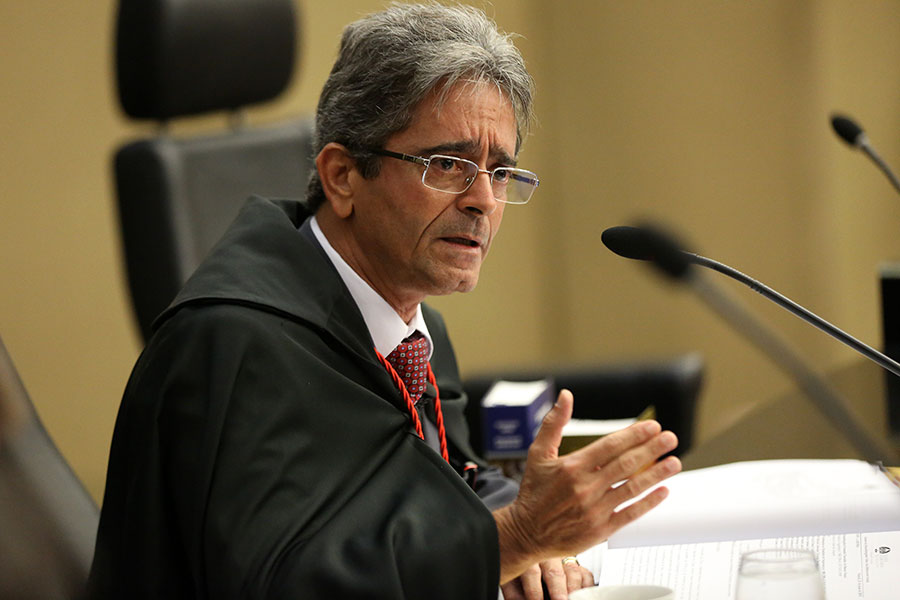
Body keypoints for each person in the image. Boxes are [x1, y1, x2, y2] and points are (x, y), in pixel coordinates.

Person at [87, 4, 681, 599]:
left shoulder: (416, 333)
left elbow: (453, 483)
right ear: (343, 176)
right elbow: (281, 586)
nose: (482, 200)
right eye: (447, 164)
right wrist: (513, 539)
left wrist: (526, 533)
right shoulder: (236, 345)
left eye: (500, 172)